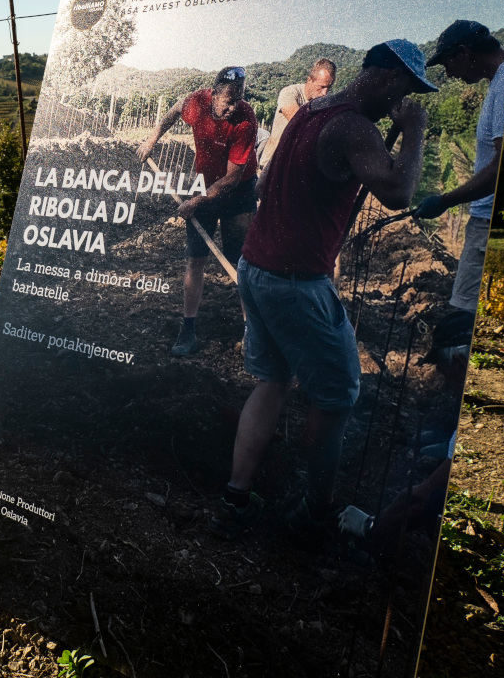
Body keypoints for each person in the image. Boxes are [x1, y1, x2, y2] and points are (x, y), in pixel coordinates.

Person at [210, 40, 435, 539]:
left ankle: (236, 495)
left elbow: (269, 186)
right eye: (405, 89)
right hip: (296, 283)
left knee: (272, 381)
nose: (402, 102)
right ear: (387, 76)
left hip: (257, 267)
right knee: (336, 399)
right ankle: (317, 512)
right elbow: (398, 192)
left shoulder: (312, 111)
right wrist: (415, 132)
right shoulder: (354, 126)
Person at [135, 66, 258, 356]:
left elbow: (231, 179)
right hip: (204, 186)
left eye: (238, 100)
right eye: (228, 100)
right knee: (196, 258)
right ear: (213, 94)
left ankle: (251, 333)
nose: (232, 107)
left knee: (240, 262)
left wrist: (196, 202)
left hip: (238, 191)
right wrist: (153, 138)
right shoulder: (197, 103)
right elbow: (175, 109)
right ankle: (187, 330)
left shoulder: (246, 118)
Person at [414, 20, 504, 343]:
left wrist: (445, 200)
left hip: (487, 224)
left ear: (465, 52)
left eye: (449, 64)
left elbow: (501, 167)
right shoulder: (502, 79)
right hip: (487, 222)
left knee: (462, 326)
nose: (451, 74)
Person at [258, 58, 337, 172]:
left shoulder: (323, 105)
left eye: (328, 88)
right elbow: (298, 121)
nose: (324, 93)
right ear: (309, 80)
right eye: (322, 87)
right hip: (271, 165)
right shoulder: (290, 92)